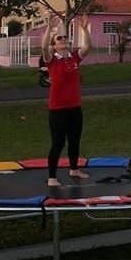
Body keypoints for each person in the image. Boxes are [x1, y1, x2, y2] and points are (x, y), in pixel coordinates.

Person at [41, 14, 92, 187]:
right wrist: (50, 28)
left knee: (75, 141)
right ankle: (52, 177)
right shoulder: (52, 60)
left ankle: (74, 169)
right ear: (54, 45)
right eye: (59, 38)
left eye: (65, 37)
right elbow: (44, 47)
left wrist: (84, 29)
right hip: (57, 110)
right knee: (58, 143)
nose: (63, 39)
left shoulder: (74, 57)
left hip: (75, 108)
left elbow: (89, 47)